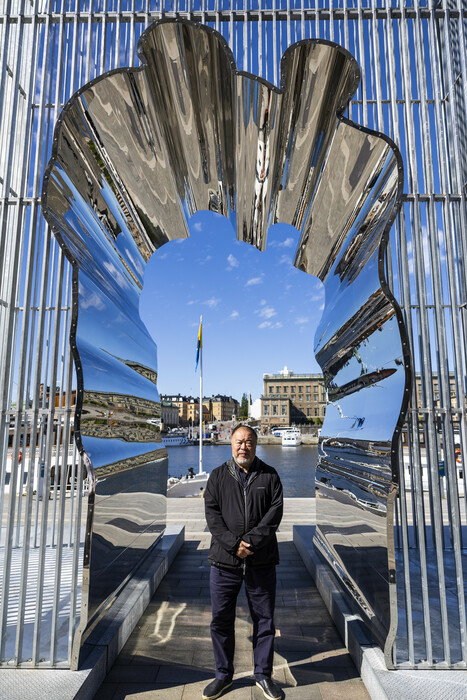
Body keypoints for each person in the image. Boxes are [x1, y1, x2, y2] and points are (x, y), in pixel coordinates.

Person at [202, 424, 283, 700]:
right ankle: (223, 676)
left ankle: (263, 675)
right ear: (230, 443)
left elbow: (274, 516)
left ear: (256, 444)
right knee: (221, 621)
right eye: (238, 441)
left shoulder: (270, 476)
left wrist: (250, 543)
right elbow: (212, 516)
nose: (243, 447)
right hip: (224, 563)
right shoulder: (217, 477)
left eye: (248, 442)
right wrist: (234, 544)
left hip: (261, 562)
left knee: (264, 621)